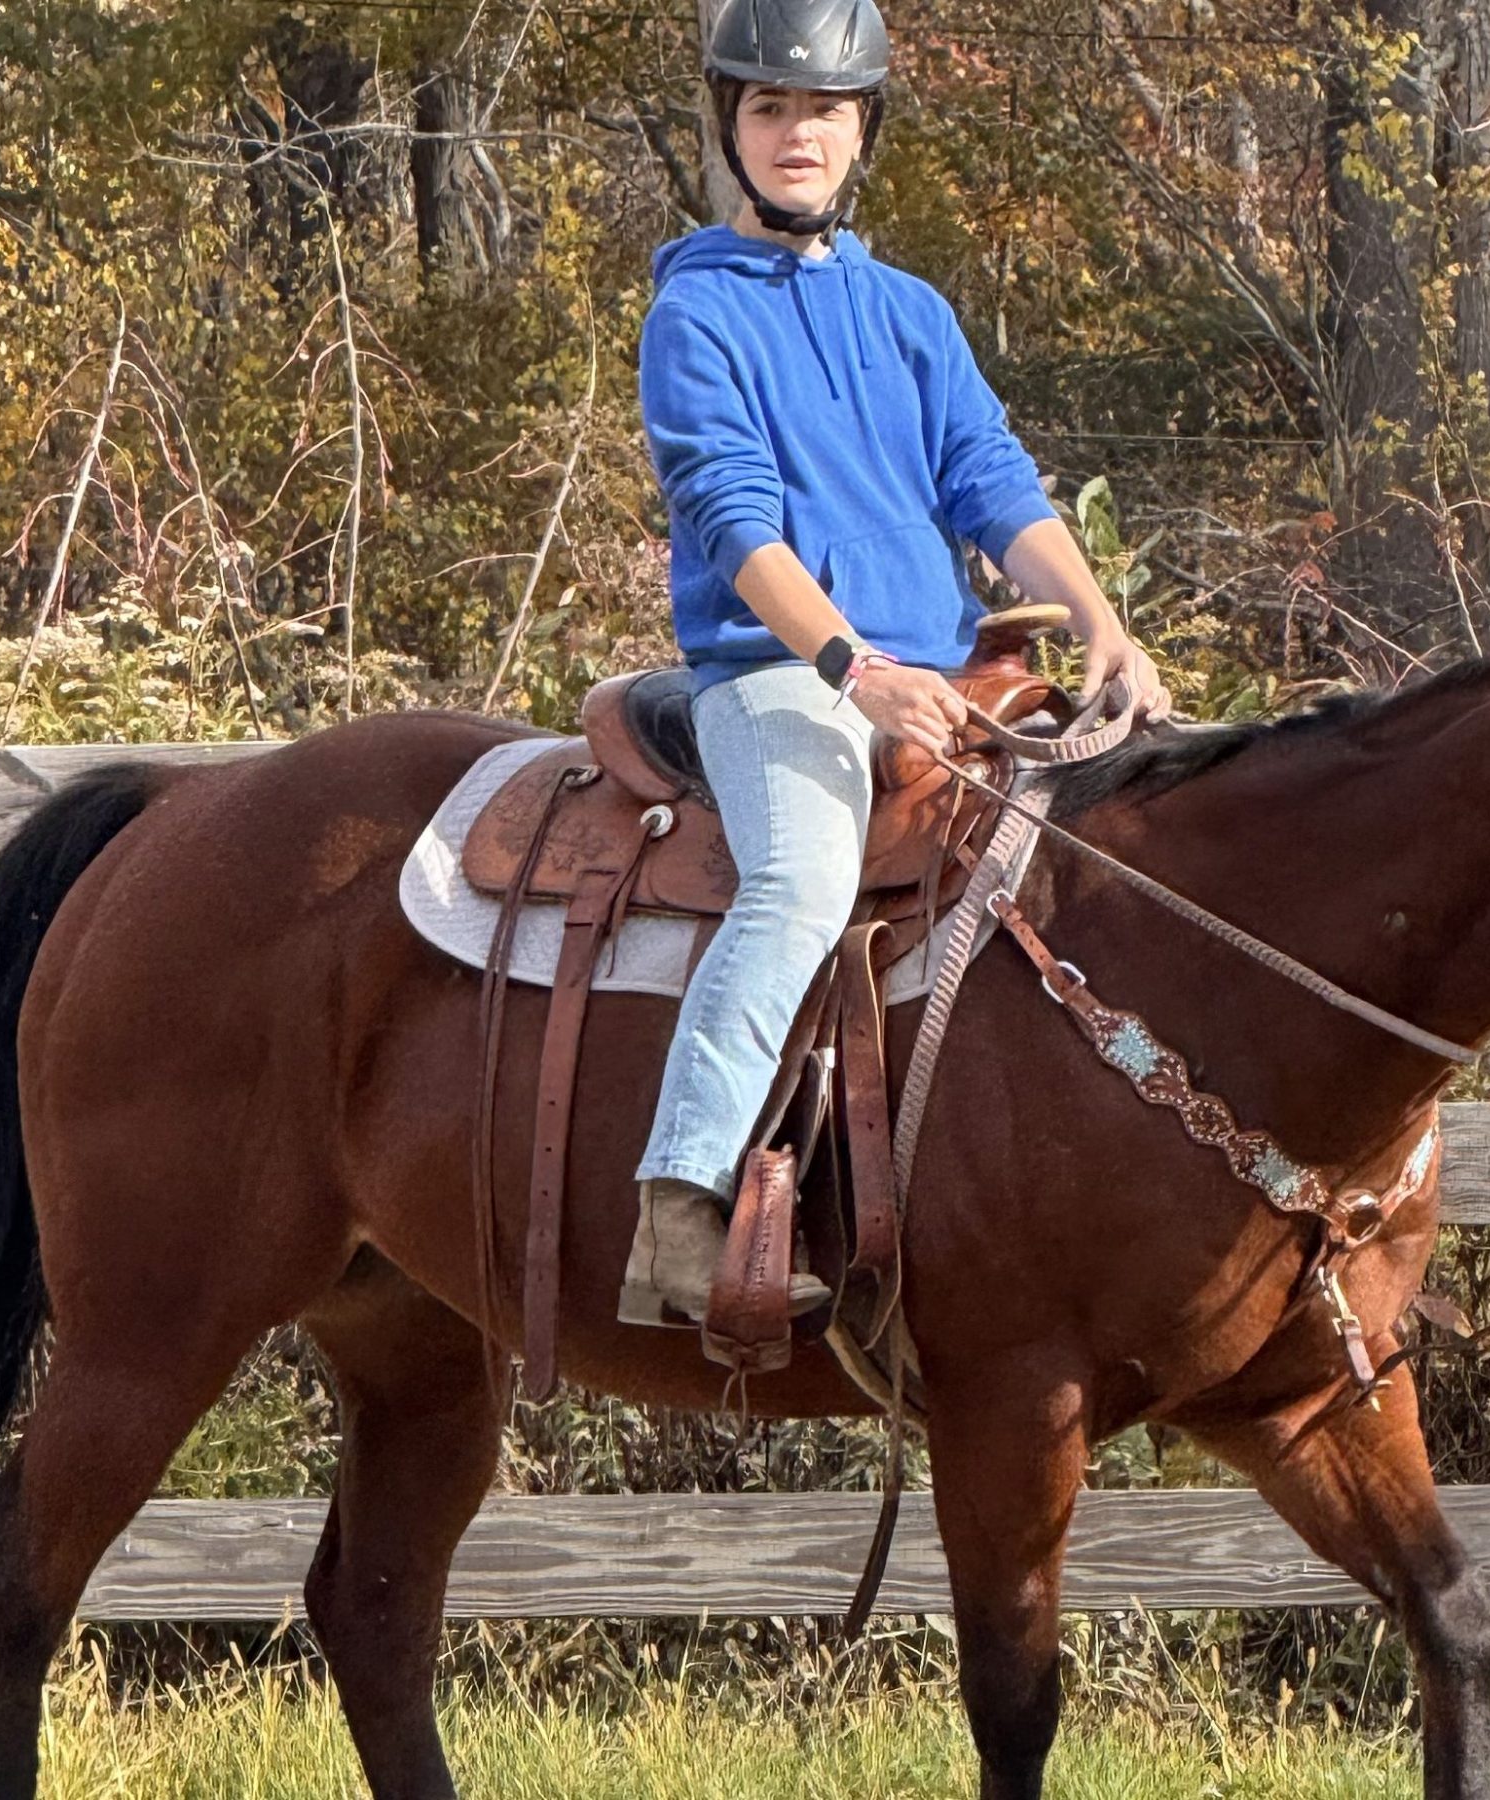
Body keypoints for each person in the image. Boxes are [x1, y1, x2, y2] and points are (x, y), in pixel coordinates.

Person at [618, 0, 1171, 1330]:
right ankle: (680, 1199)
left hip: (948, 676)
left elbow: (991, 485)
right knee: (803, 882)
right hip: (780, 675)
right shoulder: (694, 317)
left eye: (821, 109)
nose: (796, 133)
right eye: (767, 108)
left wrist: (1100, 621)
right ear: (730, 129)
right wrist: (855, 668)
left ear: (862, 128)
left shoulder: (910, 312)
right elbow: (732, 521)